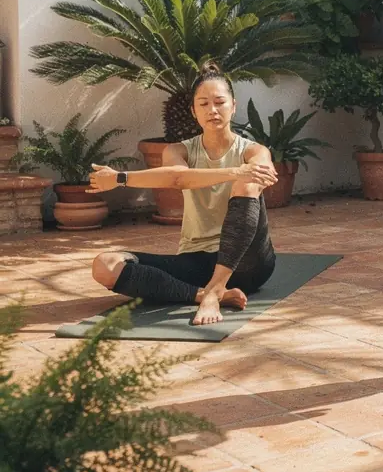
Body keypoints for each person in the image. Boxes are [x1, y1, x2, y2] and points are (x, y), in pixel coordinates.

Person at [88, 62, 279, 326]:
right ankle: (203, 294)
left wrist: (240, 174)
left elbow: (256, 176)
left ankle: (215, 290)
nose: (212, 110)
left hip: (249, 263)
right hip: (197, 260)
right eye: (203, 104)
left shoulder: (254, 151)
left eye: (220, 102)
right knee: (105, 264)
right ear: (193, 112)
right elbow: (178, 178)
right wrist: (120, 178)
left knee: (247, 183)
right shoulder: (179, 151)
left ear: (233, 106)